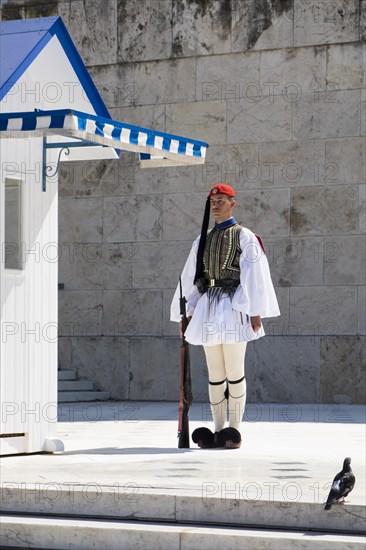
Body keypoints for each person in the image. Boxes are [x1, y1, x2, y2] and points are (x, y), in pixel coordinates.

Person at [170, 183, 280, 449]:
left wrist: (255, 312)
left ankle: (235, 430)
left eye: (221, 200)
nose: (216, 205)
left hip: (234, 308)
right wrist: (184, 313)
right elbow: (191, 277)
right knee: (215, 373)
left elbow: (255, 276)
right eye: (213, 201)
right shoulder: (202, 239)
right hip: (208, 308)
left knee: (234, 370)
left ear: (233, 203)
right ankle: (218, 431)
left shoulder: (245, 236)